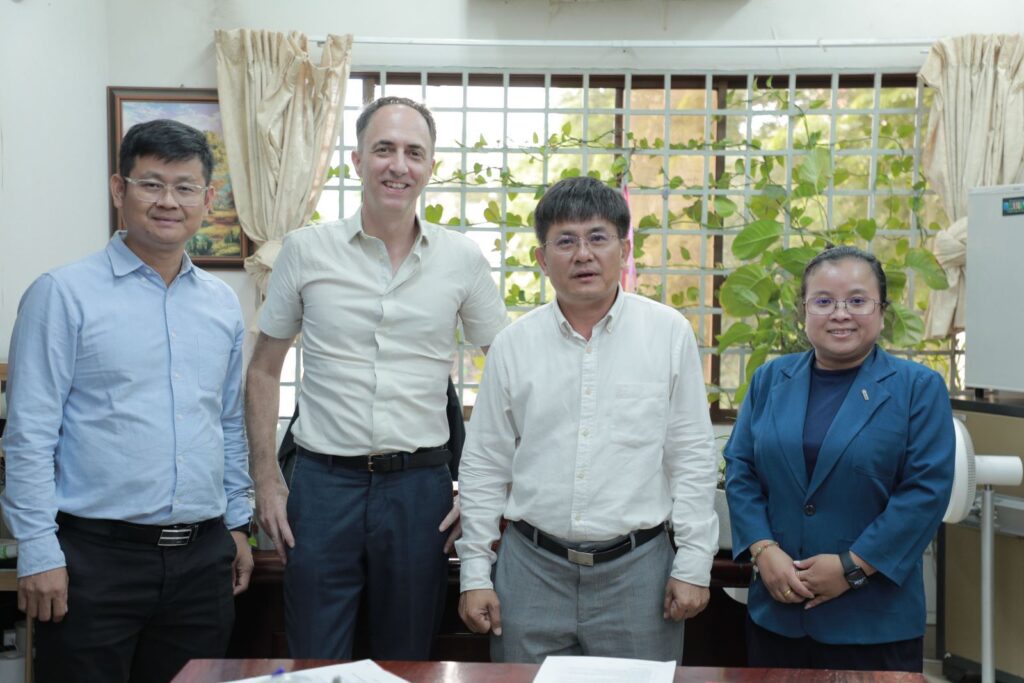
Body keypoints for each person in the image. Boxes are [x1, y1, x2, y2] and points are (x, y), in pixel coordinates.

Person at [245, 96, 508, 660]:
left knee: (407, 657)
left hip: (420, 490)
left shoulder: (462, 259)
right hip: (321, 486)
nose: (399, 165)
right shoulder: (305, 250)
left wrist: (486, 489)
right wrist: (266, 480)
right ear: (357, 159)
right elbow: (264, 369)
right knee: (314, 659)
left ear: (430, 165)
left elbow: (509, 374)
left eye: (414, 152)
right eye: (384, 149)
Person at [1, 119, 253, 683]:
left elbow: (228, 423)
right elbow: (29, 434)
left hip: (201, 560)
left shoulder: (221, 304)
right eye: (151, 184)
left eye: (185, 187)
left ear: (208, 198)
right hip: (94, 561)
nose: (169, 201)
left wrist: (238, 524)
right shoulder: (61, 294)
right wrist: (37, 549)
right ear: (120, 189)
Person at [456, 176, 719, 663]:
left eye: (598, 238)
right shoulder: (513, 344)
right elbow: (485, 462)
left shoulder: (668, 333)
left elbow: (691, 456)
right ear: (542, 259)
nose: (583, 255)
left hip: (639, 572)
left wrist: (694, 562)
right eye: (566, 241)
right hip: (530, 569)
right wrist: (474, 572)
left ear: (624, 250)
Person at [723, 245, 955, 672]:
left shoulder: (917, 388)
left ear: (882, 311)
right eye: (824, 301)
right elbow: (741, 469)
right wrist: (763, 550)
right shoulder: (769, 379)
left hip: (874, 621)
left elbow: (925, 492)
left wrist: (853, 567)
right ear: (804, 311)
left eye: (857, 300)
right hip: (778, 613)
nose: (840, 314)